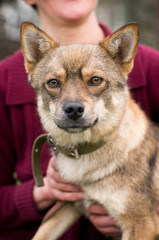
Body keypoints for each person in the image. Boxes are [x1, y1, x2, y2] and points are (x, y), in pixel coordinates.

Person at [0, 0, 159, 239]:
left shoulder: (154, 67)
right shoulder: (3, 80)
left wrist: (149, 216)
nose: (73, 104)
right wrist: (38, 194)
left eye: (94, 81)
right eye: (54, 83)